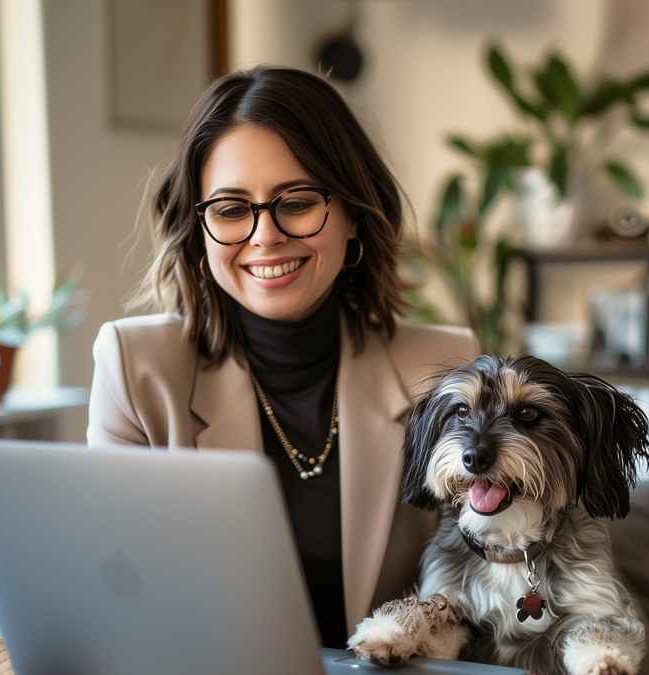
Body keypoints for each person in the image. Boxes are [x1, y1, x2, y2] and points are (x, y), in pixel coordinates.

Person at [88, 66, 478, 648]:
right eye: (230, 208)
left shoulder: (447, 369)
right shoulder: (135, 367)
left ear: (353, 215)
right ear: (198, 231)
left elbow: (487, 586)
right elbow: (112, 589)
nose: (264, 236)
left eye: (295, 202)